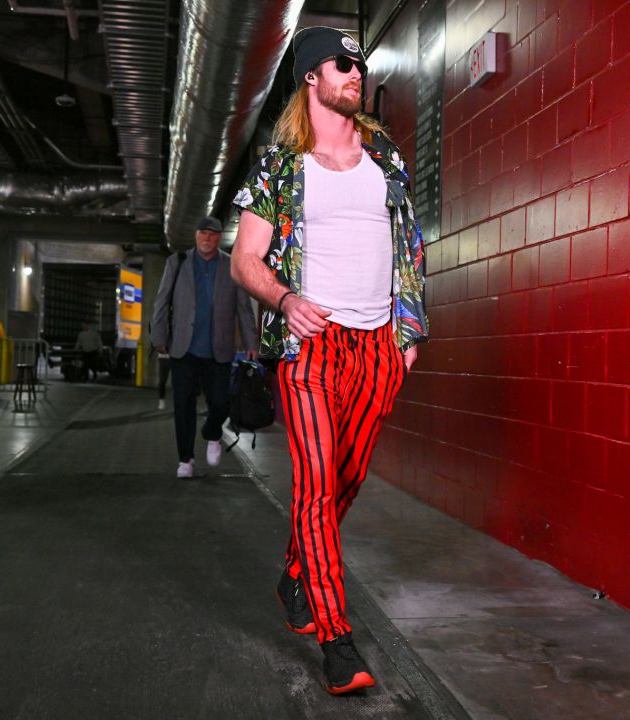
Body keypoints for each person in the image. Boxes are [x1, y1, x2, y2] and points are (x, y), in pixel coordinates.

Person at [229, 26, 428, 695]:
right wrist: (285, 300)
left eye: (360, 65)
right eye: (344, 64)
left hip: (376, 347)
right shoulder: (280, 168)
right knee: (314, 487)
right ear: (312, 77)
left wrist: (409, 333)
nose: (357, 74)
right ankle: (336, 639)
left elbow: (411, 249)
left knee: (347, 480)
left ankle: (295, 574)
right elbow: (244, 259)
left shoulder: (387, 162)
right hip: (310, 346)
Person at [150, 216, 259, 478]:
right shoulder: (178, 262)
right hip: (183, 349)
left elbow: (243, 308)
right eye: (203, 233)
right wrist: (159, 337)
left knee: (221, 403)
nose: (206, 238)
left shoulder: (232, 265)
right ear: (196, 236)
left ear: (219, 237)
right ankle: (185, 459)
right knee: (183, 406)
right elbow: (161, 301)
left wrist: (251, 342)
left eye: (212, 234)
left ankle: (212, 433)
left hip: (218, 349)